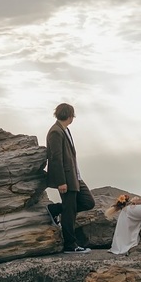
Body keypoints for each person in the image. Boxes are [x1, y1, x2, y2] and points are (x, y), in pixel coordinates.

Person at [45, 102, 95, 254]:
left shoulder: (65, 130)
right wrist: (61, 181)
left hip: (74, 176)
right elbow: (55, 158)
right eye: (73, 115)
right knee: (70, 210)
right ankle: (70, 245)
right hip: (66, 178)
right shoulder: (55, 132)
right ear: (69, 115)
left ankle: (55, 209)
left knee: (88, 202)